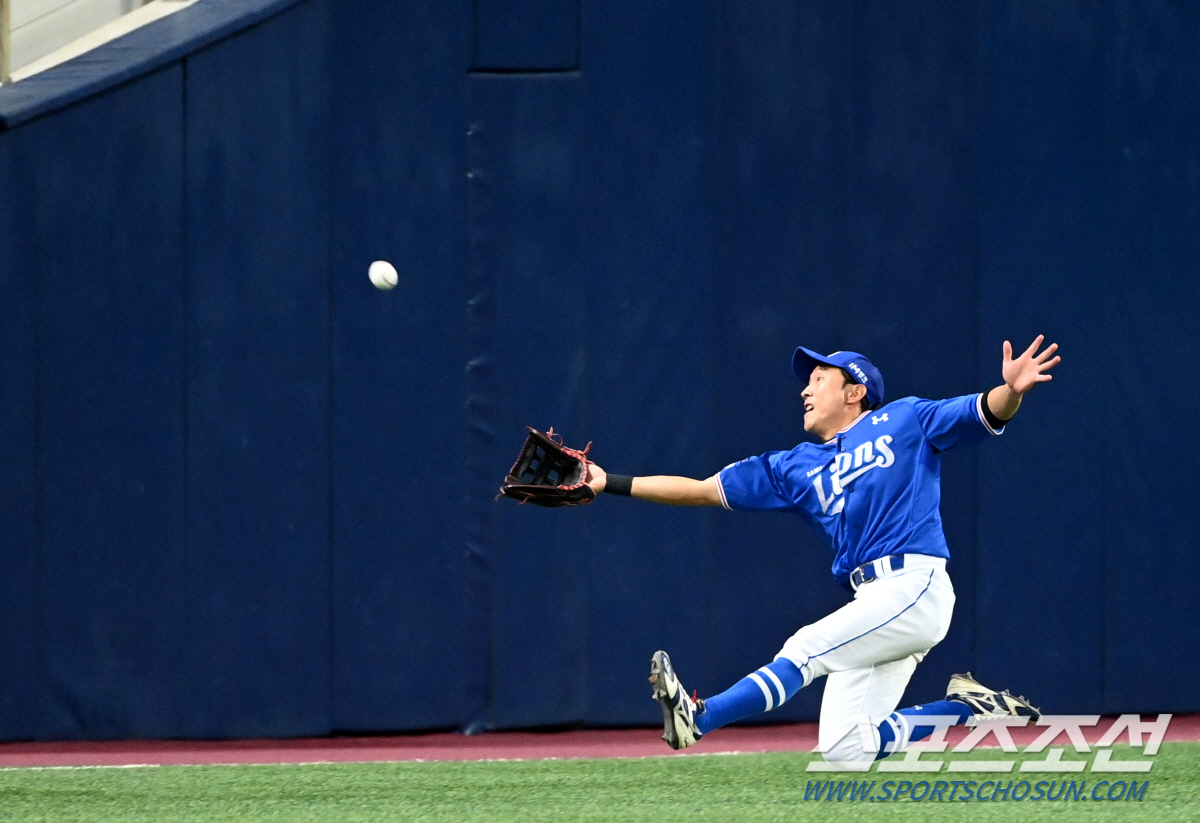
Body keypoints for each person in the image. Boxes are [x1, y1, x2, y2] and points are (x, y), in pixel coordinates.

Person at [585, 336, 1060, 765]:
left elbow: (985, 411)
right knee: (844, 750)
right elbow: (701, 489)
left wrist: (1012, 391)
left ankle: (700, 717)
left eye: (818, 380)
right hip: (873, 601)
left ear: (854, 392)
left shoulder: (905, 419)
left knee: (805, 649)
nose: (805, 391)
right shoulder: (794, 467)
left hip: (914, 585)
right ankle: (968, 707)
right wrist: (609, 483)